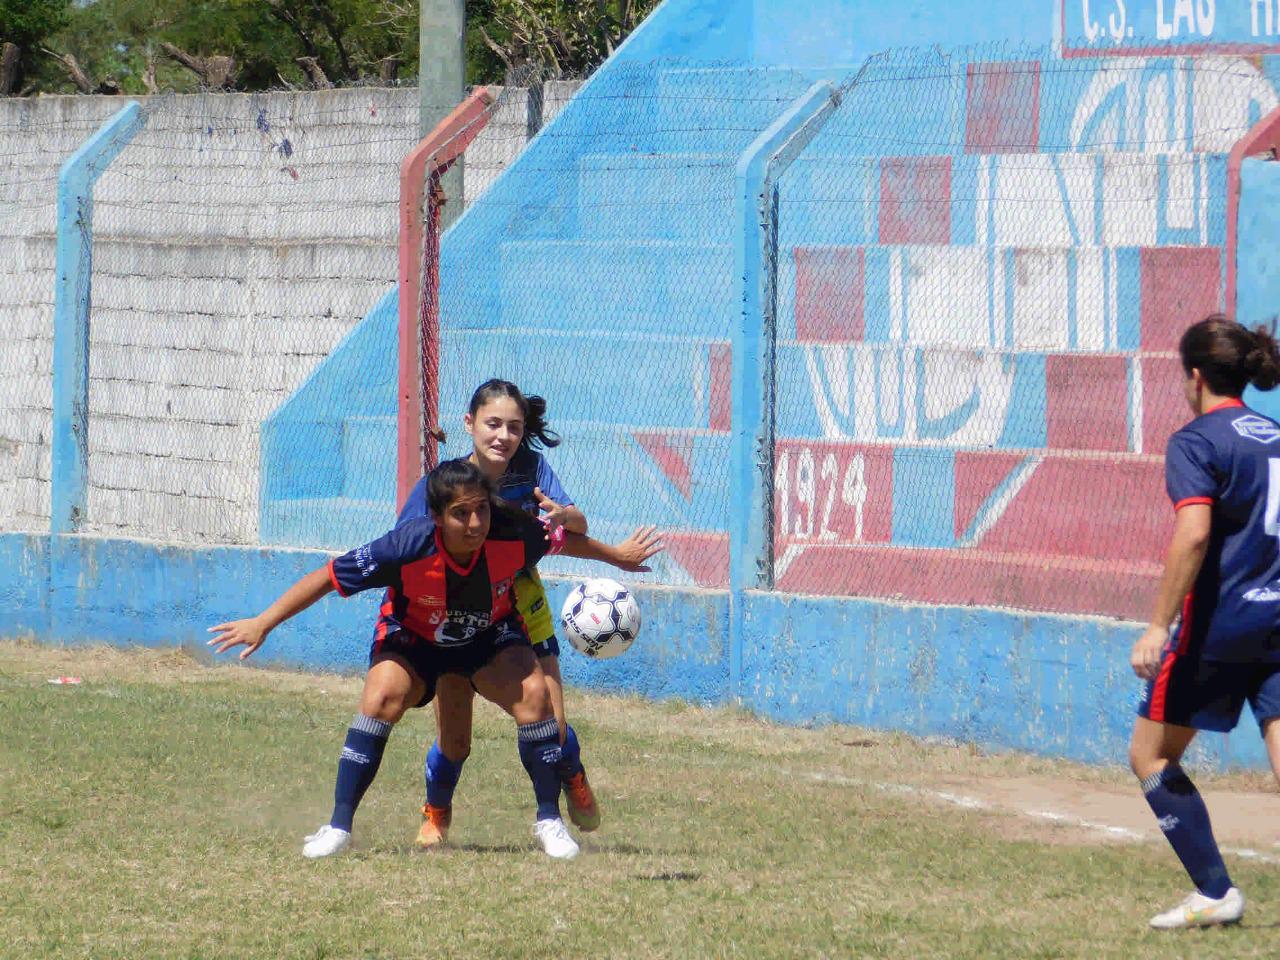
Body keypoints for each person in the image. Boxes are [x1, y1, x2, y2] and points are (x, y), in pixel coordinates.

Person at [208, 458, 588, 860]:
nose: (475, 523)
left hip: (486, 637)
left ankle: (550, 822)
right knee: (380, 700)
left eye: (481, 509)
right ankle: (338, 826)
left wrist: (619, 557)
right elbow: (328, 577)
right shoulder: (405, 546)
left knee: (535, 695)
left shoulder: (515, 533)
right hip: (414, 638)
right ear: (438, 517)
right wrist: (264, 622)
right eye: (461, 513)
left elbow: (568, 539)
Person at [399, 379, 663, 849]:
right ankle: (436, 813)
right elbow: (405, 545)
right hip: (460, 610)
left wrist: (586, 533)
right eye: (493, 424)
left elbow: (570, 530)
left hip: (522, 598)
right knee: (455, 739)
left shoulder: (532, 469)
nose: (503, 435)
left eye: (513, 427)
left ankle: (569, 777)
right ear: (470, 424)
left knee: (551, 725)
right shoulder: (445, 483)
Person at [1130, 314, 1280, 929]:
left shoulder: (1197, 440)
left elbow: (1193, 535)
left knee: (1150, 756)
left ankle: (1215, 892)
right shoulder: (1272, 433)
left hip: (1221, 629)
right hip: (1277, 622)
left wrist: (1157, 625)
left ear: (1195, 377)